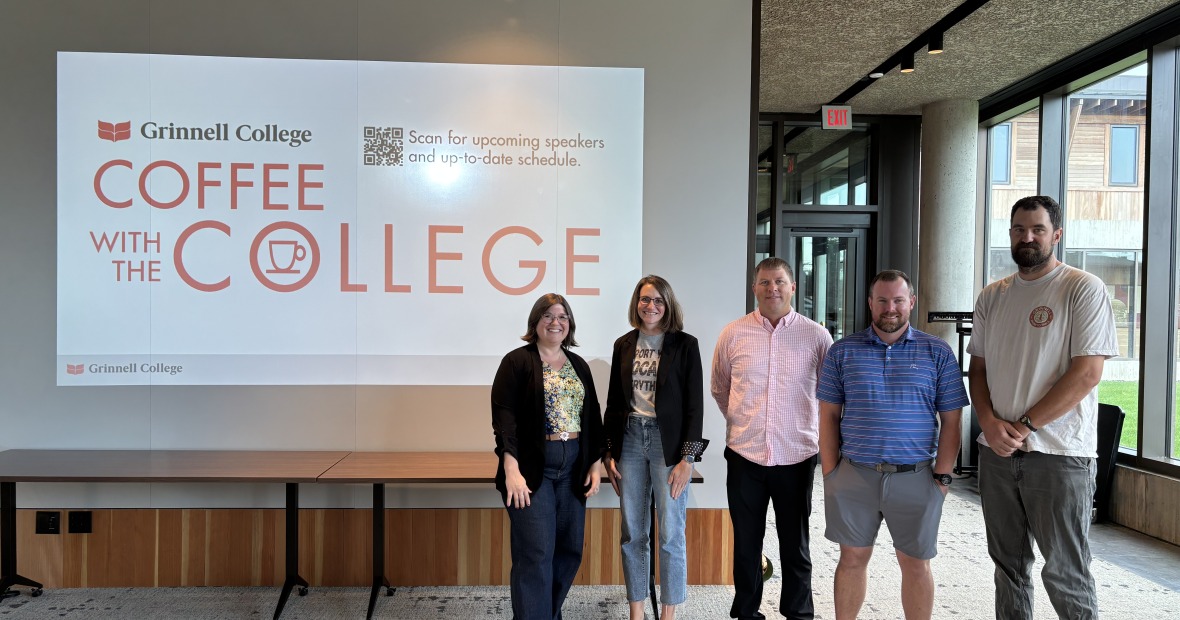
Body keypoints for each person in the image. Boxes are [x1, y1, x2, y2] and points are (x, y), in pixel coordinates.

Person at [967, 195, 1118, 620]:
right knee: (1008, 569)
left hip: (1059, 455)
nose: (1027, 237)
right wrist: (988, 423)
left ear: (1056, 234)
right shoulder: (992, 296)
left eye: (1037, 229)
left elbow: (1088, 372)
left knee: (1066, 572)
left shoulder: (1081, 288)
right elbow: (977, 369)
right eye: (1018, 229)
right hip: (997, 453)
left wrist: (1025, 425)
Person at [816, 269, 969, 620]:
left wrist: (943, 479)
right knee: (852, 559)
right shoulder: (842, 352)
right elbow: (828, 417)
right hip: (854, 476)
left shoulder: (938, 352)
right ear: (870, 303)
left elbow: (952, 421)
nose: (890, 308)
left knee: (916, 564)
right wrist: (831, 474)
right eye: (882, 300)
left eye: (898, 300)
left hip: (916, 477)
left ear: (911, 303)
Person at [711, 257, 833, 620]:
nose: (772, 289)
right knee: (747, 545)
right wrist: (743, 422)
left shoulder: (816, 335)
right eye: (764, 282)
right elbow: (720, 388)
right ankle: (747, 612)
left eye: (779, 281)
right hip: (745, 456)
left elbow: (830, 394)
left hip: (796, 457)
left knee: (795, 544)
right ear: (754, 288)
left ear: (793, 287)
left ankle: (798, 613)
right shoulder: (733, 333)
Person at [491, 292, 607, 620]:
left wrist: (595, 463)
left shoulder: (578, 365)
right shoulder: (516, 362)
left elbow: (592, 416)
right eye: (548, 316)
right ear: (535, 322)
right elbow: (505, 420)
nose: (555, 322)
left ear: (569, 325)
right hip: (530, 466)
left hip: (574, 464)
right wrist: (510, 467)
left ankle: (547, 614)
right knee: (536, 553)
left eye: (562, 317)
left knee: (569, 550)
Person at [603, 275, 708, 620]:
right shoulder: (623, 344)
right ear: (637, 303)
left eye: (658, 300)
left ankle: (668, 614)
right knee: (633, 532)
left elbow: (695, 405)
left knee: (671, 533)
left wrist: (687, 458)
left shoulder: (685, 345)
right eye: (645, 300)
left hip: (670, 445)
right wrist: (608, 451)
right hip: (630, 439)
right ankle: (636, 612)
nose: (651, 306)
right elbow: (614, 403)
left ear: (668, 305)